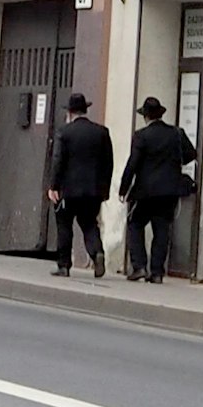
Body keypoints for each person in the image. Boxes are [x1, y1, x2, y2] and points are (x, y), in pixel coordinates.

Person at [119, 97, 196, 283]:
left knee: (135, 224)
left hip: (144, 192)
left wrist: (124, 188)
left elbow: (133, 163)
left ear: (145, 116)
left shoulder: (141, 136)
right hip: (169, 191)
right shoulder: (177, 133)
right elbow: (191, 154)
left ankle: (139, 266)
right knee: (162, 230)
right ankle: (157, 272)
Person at [46, 90, 114, 278]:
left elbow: (58, 160)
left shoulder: (64, 132)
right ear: (85, 111)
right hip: (93, 191)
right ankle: (97, 253)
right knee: (90, 224)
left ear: (69, 113)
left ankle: (64, 265)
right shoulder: (101, 132)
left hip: (68, 190)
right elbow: (108, 163)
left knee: (64, 225)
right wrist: (104, 189)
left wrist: (53, 186)